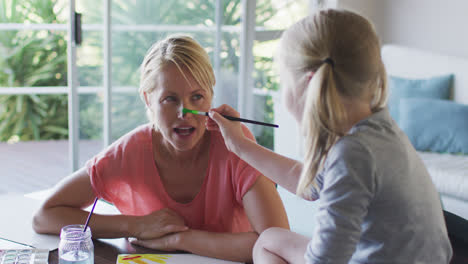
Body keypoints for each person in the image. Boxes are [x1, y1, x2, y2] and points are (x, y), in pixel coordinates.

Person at [207, 9, 452, 264]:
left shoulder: (353, 154)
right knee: (269, 240)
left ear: (310, 84)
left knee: (267, 245)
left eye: (283, 81)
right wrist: (240, 146)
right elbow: (309, 185)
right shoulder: (379, 128)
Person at [33, 35, 289, 263]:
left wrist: (179, 239)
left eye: (197, 97)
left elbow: (277, 244)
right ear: (147, 99)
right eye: (170, 99)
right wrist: (136, 225)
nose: (184, 112)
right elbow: (45, 216)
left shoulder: (235, 143)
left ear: (210, 96)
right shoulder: (130, 150)